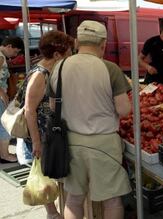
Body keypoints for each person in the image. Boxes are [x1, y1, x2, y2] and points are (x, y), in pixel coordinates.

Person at [48, 20, 131, 219]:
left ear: (77, 42)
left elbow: (53, 107)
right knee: (111, 200)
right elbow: (124, 109)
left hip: (71, 141)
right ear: (103, 44)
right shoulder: (110, 69)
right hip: (104, 143)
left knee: (74, 199)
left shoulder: (59, 67)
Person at [16, 30, 74, 219]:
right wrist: (37, 142)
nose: (71, 55)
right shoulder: (40, 74)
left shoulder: (49, 70)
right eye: (68, 52)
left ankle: (55, 212)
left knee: (50, 173)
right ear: (57, 54)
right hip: (40, 134)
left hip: (45, 131)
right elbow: (29, 110)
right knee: (46, 174)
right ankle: (53, 213)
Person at [0, 36, 23, 163]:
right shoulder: (1, 57)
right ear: (9, 46)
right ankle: (5, 154)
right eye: (15, 51)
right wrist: (3, 94)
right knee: (4, 124)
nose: (15, 55)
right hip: (0, 96)